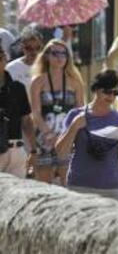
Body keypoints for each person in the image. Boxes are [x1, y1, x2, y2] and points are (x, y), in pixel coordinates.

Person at [55, 70, 118, 202]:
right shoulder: (75, 115)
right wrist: (74, 127)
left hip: (112, 189)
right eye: (107, 91)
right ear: (96, 89)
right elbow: (60, 153)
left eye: (116, 93)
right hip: (79, 187)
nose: (111, 96)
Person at [31, 39, 84, 185]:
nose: (60, 57)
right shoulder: (38, 81)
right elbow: (35, 113)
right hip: (45, 139)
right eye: (55, 53)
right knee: (44, 187)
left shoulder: (75, 82)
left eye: (64, 53)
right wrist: (49, 134)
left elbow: (80, 112)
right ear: (47, 56)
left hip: (68, 137)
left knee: (68, 184)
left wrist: (70, 135)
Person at [0, 46, 37, 178]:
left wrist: (33, 150)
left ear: (5, 58)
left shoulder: (18, 87)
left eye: (1, 54)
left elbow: (26, 120)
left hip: (17, 151)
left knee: (18, 196)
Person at [6, 28, 43, 93]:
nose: (34, 52)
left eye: (38, 48)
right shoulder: (10, 68)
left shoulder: (47, 66)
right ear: (22, 47)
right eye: (29, 48)